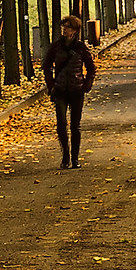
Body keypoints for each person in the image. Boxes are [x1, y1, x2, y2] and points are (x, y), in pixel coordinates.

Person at [43, 14, 96, 168]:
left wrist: (87, 84)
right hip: (59, 90)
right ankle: (65, 156)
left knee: (75, 126)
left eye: (67, 27)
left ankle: (75, 159)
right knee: (61, 124)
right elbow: (46, 66)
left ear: (75, 31)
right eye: (63, 27)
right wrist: (51, 85)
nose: (64, 29)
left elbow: (91, 68)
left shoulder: (80, 48)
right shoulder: (56, 46)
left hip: (76, 90)